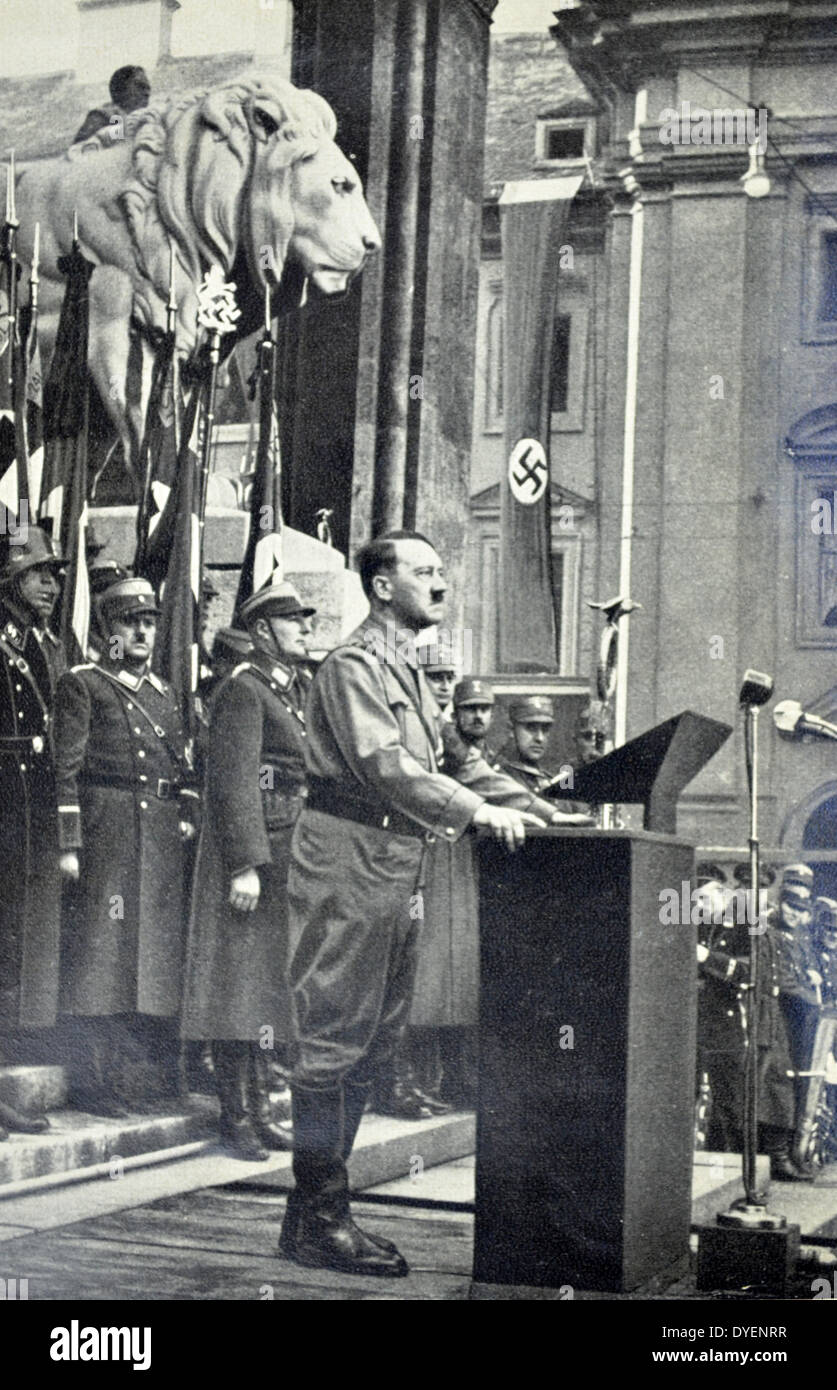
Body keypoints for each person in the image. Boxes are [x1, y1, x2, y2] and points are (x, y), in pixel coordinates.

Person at [278, 530, 561, 1278]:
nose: (440, 582)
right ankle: (319, 1218)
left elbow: (454, 757)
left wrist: (538, 807)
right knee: (334, 1036)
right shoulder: (353, 665)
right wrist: (473, 811)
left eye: (441, 570)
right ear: (380, 586)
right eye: (424, 571)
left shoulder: (401, 664)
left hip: (396, 860)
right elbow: (383, 762)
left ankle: (316, 1217)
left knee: (372, 1042)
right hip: (347, 858)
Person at [54, 577, 198, 1115]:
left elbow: (184, 770)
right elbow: (64, 769)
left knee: (146, 956)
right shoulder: (84, 684)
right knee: (101, 953)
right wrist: (68, 843)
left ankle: (133, 1074)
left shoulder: (162, 694)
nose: (141, 631)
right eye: (128, 622)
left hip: (157, 840)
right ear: (106, 631)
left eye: (150, 622)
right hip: (107, 831)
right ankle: (92, 1080)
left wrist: (185, 816)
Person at [181, 583, 315, 1160]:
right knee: (237, 985)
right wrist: (245, 864)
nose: (305, 630)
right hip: (252, 857)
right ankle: (236, 1115)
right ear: (263, 631)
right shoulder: (244, 691)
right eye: (294, 621)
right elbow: (234, 782)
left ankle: (261, 1108)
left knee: (267, 983)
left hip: (285, 850)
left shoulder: (288, 691)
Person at [0, 527, 66, 1138]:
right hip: (5, 804)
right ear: (12, 578)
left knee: (14, 942)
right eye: (40, 573)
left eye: (54, 575)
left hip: (27, 811)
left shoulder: (40, 642)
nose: (51, 584)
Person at [73, 65, 151, 145]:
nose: (147, 93)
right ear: (121, 88)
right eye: (140, 86)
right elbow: (79, 152)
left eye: (148, 88)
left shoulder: (148, 120)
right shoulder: (102, 116)